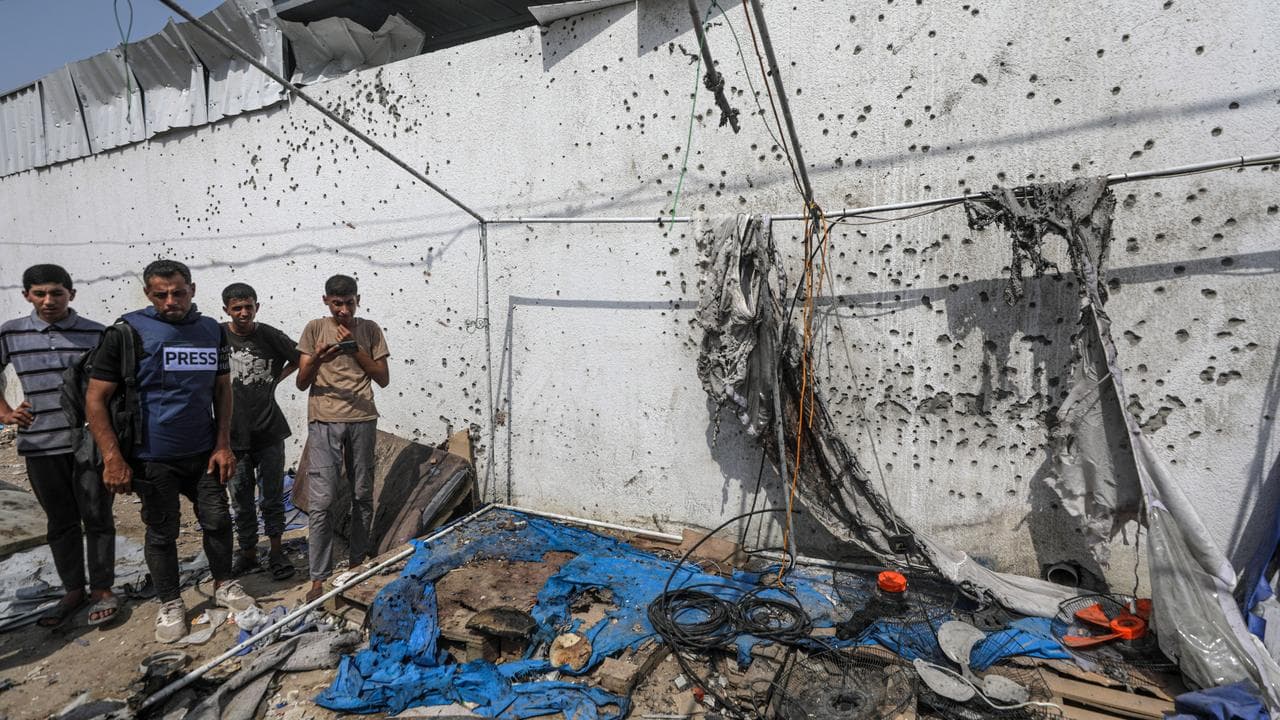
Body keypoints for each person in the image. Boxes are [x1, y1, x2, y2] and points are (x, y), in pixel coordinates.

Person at [85, 259, 255, 643]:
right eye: (161, 294)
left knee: (217, 521)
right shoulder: (126, 333)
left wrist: (223, 444)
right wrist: (113, 458)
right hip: (151, 457)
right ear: (148, 294)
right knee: (162, 532)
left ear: (192, 290)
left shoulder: (211, 330)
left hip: (203, 453)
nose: (170, 300)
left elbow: (222, 390)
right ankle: (170, 601)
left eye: (178, 292)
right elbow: (95, 399)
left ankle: (224, 583)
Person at [0, 265, 119, 628]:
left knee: (97, 515)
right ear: (26, 296)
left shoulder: (97, 333)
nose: (48, 301)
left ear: (71, 294)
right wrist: (5, 412)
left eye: (56, 293)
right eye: (40, 294)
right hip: (40, 444)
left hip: (90, 443)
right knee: (61, 520)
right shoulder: (11, 334)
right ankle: (72, 589)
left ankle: (101, 589)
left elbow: (115, 388)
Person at [296, 274, 390, 602]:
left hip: (362, 418)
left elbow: (382, 379)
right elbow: (301, 382)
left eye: (349, 302)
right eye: (337, 303)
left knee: (362, 494)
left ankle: (357, 563)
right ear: (326, 301)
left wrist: (355, 350)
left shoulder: (370, 329)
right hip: (324, 418)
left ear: (357, 299)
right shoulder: (314, 329)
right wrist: (319, 357)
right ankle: (318, 580)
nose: (344, 309)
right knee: (321, 501)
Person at [221, 282, 300, 580]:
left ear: (257, 306)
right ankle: (249, 554)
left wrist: (275, 380)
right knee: (240, 500)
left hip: (269, 431)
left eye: (248, 307)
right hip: (232, 437)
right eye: (237, 308)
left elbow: (300, 356)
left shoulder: (268, 335)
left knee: (271, 498)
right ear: (226, 310)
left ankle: (277, 552)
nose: (243, 313)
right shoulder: (217, 336)